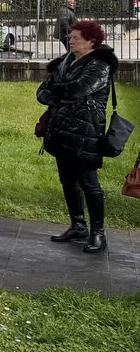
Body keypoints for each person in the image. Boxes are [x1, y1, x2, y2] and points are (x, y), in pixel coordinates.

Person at [38, 19, 118, 253]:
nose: (70, 40)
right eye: (70, 37)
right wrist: (59, 97)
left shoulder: (100, 65)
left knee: (89, 183)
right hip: (61, 130)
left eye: (75, 38)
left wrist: (57, 93)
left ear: (91, 42)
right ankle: (78, 225)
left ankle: (98, 233)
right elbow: (41, 91)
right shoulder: (65, 62)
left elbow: (78, 89)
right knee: (68, 180)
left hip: (86, 133)